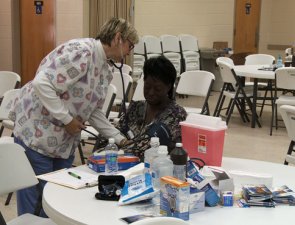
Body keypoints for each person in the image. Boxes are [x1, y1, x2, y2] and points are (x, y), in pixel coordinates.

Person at [8, 17, 138, 217]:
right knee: (35, 204)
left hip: (62, 141)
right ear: (118, 38)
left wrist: (120, 139)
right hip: (38, 133)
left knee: (58, 199)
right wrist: (67, 120)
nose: (130, 51)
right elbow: (42, 84)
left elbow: (93, 110)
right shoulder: (81, 52)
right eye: (130, 45)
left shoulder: (105, 68)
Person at [116, 56, 187, 160]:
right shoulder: (136, 108)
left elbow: (143, 149)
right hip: (120, 164)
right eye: (147, 87)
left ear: (169, 87)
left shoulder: (176, 115)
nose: (151, 92)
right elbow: (114, 134)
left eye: (157, 89)